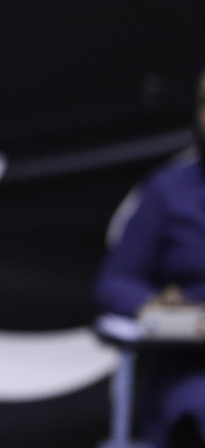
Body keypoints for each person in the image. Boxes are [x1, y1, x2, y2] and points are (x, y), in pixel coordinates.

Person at [95, 63, 205, 448]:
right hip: (193, 370)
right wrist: (155, 304)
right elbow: (115, 281)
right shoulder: (169, 190)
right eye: (204, 104)